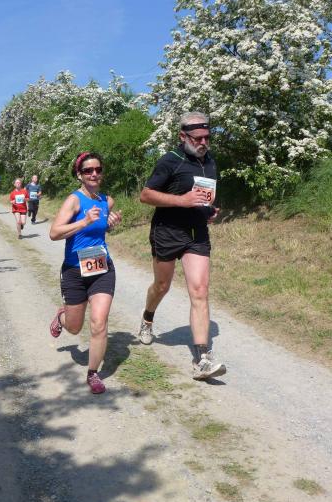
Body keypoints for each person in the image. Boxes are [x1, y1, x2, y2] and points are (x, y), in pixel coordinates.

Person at [137, 111, 225, 381]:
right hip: (167, 232)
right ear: (182, 136)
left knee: (200, 290)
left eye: (207, 137)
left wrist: (209, 211)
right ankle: (147, 318)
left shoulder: (210, 162)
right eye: (198, 138)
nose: (203, 143)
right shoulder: (170, 161)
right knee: (161, 286)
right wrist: (181, 201)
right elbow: (145, 195)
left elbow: (204, 196)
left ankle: (202, 359)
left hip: (196, 234)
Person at [49, 152, 122, 394]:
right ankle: (62, 317)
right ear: (79, 175)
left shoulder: (107, 201)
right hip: (74, 270)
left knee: (99, 322)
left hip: (101, 266)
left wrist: (110, 225)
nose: (94, 174)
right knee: (74, 327)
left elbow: (99, 231)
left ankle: (93, 373)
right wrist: (83, 222)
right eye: (88, 170)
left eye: (98, 169)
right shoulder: (74, 200)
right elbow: (54, 233)